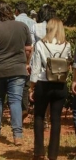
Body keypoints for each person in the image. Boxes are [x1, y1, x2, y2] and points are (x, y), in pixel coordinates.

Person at [0, 0, 32, 146]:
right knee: (15, 101)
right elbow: (29, 48)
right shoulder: (22, 26)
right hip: (18, 70)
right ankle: (17, 135)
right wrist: (26, 63)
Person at [29, 18, 71, 160]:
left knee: (39, 116)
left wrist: (32, 87)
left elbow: (35, 68)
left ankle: (39, 151)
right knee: (56, 119)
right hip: (60, 84)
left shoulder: (40, 44)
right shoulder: (67, 45)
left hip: (44, 83)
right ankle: (53, 154)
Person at [14, 1, 37, 120]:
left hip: (15, 56)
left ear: (16, 11)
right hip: (29, 56)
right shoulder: (33, 23)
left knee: (13, 83)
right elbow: (32, 44)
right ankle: (24, 108)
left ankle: (16, 109)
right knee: (25, 84)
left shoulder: (14, 21)